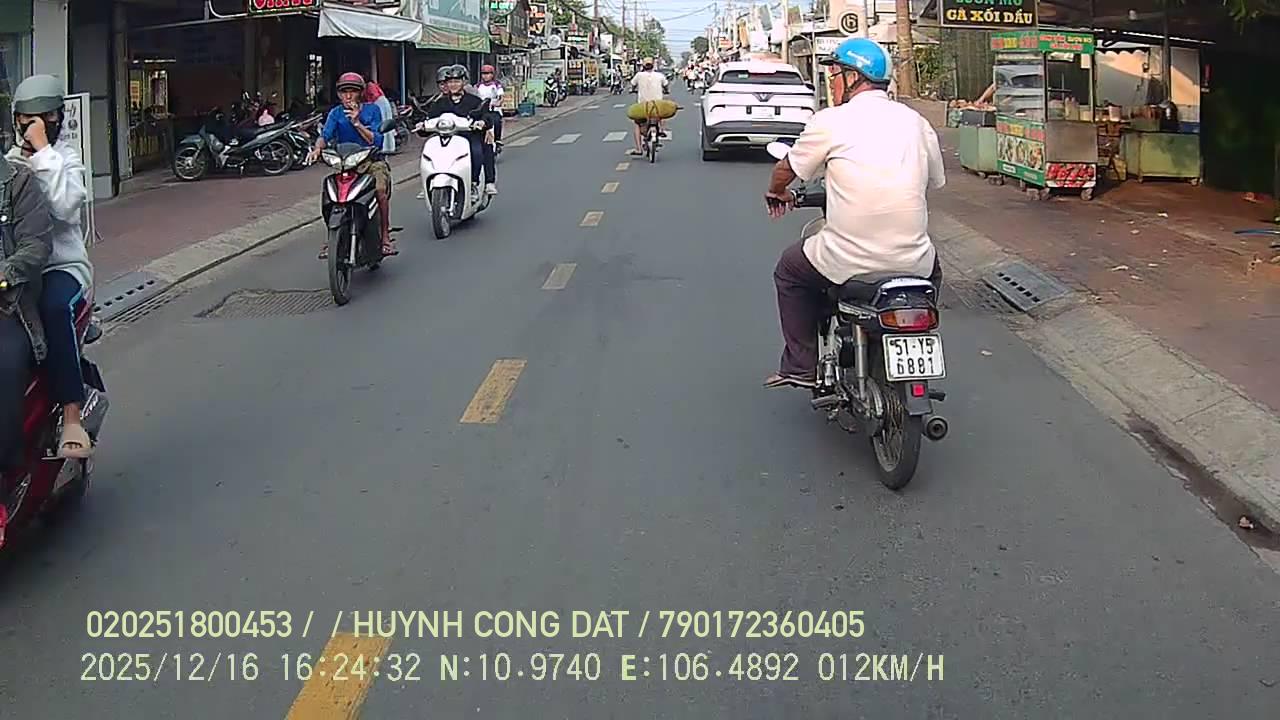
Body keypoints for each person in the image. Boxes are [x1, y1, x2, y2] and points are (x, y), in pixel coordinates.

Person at [762, 38, 945, 389]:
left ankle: (801, 365)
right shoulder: (916, 122)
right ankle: (916, 336)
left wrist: (776, 191)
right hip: (913, 259)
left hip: (846, 258)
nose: (832, 83)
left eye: (834, 74)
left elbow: (787, 169)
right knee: (932, 270)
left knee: (789, 271)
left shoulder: (830, 121)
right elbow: (935, 180)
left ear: (852, 77)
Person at [4, 75, 92, 459]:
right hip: (16, 273)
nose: (37, 126)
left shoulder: (64, 159)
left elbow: (65, 208)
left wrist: (41, 152)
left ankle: (72, 415)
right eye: (28, 120)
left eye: (47, 118)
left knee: (52, 310)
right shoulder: (8, 164)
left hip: (60, 267)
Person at [0, 134, 55, 473]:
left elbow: (36, 245)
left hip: (10, 307)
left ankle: (6, 470)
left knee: (3, 365)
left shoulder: (19, 183)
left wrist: (5, 274)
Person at [307, 72, 397, 258]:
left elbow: (376, 140)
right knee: (329, 194)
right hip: (345, 163)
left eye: (353, 91)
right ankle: (332, 237)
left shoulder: (372, 110)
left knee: (380, 190)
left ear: (360, 93)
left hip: (370, 162)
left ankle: (385, 237)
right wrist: (316, 150)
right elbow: (325, 135)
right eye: (344, 92)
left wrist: (356, 123)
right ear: (339, 94)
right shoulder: (335, 113)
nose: (348, 96)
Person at [424, 65, 497, 196]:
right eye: (450, 82)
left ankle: (474, 182)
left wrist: (482, 123)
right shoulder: (440, 103)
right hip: (445, 138)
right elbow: (430, 119)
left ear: (464, 82)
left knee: (477, 152)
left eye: (457, 81)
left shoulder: (474, 101)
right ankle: (428, 182)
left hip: (468, 137)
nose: (453, 85)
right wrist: (422, 125)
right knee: (430, 153)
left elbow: (485, 116)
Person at [627, 58, 669, 157]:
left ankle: (639, 149)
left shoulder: (639, 75)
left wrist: (632, 90)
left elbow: (632, 85)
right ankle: (661, 129)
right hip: (657, 105)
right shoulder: (660, 75)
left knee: (637, 124)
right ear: (653, 65)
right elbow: (666, 86)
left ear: (643, 66)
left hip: (643, 106)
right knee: (662, 115)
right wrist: (666, 90)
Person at [364, 80, 397, 155]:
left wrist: (369, 104)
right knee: (386, 125)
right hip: (382, 103)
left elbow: (374, 96)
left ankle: (385, 148)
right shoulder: (373, 85)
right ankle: (389, 147)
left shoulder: (370, 85)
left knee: (383, 126)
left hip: (379, 103)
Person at [474, 64, 505, 145]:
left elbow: (501, 97)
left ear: (492, 74)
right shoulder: (478, 86)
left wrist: (498, 103)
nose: (485, 76)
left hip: (493, 110)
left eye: (488, 73)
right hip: (482, 110)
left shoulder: (497, 85)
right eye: (484, 74)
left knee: (497, 121)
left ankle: (497, 139)